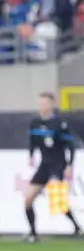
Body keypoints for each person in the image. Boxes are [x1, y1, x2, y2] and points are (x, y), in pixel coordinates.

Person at [24, 92, 81, 242]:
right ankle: (33, 233)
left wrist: (69, 165)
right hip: (44, 165)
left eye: (45, 103)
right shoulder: (34, 122)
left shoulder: (59, 124)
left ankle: (77, 228)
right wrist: (31, 155)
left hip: (58, 164)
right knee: (28, 198)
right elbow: (32, 141)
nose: (42, 106)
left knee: (57, 201)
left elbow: (71, 147)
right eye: (40, 103)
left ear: (51, 105)